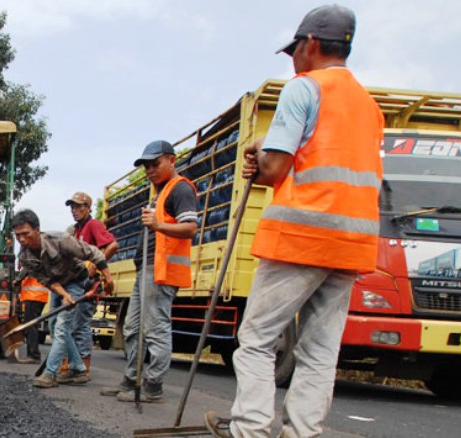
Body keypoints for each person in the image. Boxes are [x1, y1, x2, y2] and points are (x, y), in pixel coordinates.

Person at [204, 5, 384, 437]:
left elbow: (274, 170)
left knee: (257, 340)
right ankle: (302, 433)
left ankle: (251, 429)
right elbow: (323, 148)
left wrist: (258, 158)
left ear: (313, 44)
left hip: (302, 235)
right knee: (320, 349)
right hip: (352, 244)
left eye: (295, 50)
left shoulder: (303, 89)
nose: (293, 59)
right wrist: (270, 144)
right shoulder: (368, 106)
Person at [100, 140, 197, 403]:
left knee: (155, 329)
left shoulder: (180, 189)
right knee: (132, 327)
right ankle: (131, 381)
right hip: (146, 267)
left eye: (155, 164)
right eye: (146, 166)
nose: (150, 170)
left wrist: (158, 225)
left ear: (171, 160)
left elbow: (190, 228)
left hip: (161, 269)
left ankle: (153, 386)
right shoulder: (158, 191)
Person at [12, 209, 115, 388]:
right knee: (53, 325)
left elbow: (95, 254)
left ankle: (50, 373)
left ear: (37, 230)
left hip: (76, 279)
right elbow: (48, 280)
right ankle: (78, 367)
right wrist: (65, 295)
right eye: (17, 235)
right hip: (59, 285)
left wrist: (108, 277)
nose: (21, 239)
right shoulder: (25, 257)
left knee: (61, 327)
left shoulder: (60, 240)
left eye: (25, 234)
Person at [65, 191, 119, 378]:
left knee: (80, 325)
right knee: (72, 324)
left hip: (89, 284)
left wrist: (95, 265)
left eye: (79, 206)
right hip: (78, 282)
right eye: (72, 207)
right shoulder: (76, 230)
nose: (75, 210)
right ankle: (75, 364)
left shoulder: (93, 225)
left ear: (88, 208)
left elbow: (112, 245)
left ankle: (84, 366)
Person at [17, 273, 50, 362]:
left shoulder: (32, 261)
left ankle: (33, 355)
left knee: (30, 326)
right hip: (36, 296)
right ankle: (33, 354)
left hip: (34, 296)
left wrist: (17, 280)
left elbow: (27, 268)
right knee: (31, 325)